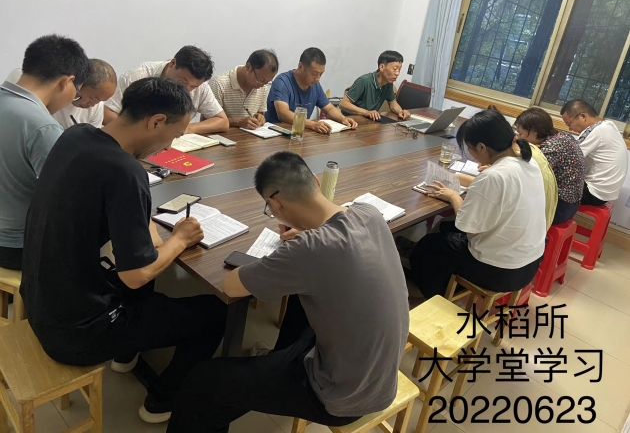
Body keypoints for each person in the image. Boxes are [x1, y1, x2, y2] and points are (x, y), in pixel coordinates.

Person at [21, 77, 227, 424]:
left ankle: (127, 353)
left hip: (39, 300)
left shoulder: (75, 136)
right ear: (156, 121)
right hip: (74, 334)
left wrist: (146, 223)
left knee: (143, 268)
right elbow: (136, 275)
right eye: (174, 135)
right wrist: (179, 238)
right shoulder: (126, 171)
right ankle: (162, 400)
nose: (168, 146)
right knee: (213, 312)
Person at [167, 151, 409, 433]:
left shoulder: (309, 249)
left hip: (340, 396)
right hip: (379, 377)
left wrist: (294, 251)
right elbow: (334, 238)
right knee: (301, 297)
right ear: (315, 181)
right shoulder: (368, 213)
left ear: (275, 204)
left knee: (204, 381)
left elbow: (230, 285)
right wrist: (305, 237)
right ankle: (274, 364)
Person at [408, 109, 546, 298]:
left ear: (481, 147)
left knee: (428, 246)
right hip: (530, 262)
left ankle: (434, 294)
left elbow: (468, 228)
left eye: (469, 148)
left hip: (501, 271)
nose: (471, 155)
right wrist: (458, 179)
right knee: (445, 230)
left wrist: (453, 196)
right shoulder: (528, 163)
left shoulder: (493, 176)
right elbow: (501, 190)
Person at [0, 34, 90, 270]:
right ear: (66, 82)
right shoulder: (42, 126)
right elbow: (65, 200)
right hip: (16, 247)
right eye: (77, 93)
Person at [104, 46, 229, 134]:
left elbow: (222, 121)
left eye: (193, 86)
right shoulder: (137, 76)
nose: (186, 89)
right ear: (172, 63)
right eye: (182, 81)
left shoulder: (200, 86)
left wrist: (186, 129)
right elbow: (107, 113)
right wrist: (140, 133)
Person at [515, 107, 585, 224]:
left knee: (511, 204)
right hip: (569, 203)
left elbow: (528, 173)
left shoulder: (552, 148)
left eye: (521, 133)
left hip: (560, 207)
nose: (519, 137)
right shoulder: (561, 137)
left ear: (534, 132)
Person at [265, 47, 357, 134]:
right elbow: (283, 113)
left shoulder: (315, 85)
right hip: (277, 133)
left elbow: (329, 108)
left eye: (321, 74)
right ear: (300, 66)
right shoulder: (282, 82)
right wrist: (312, 124)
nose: (318, 78)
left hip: (301, 134)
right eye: (314, 73)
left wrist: (343, 118)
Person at [6, 59, 117, 129]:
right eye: (92, 97)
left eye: (100, 101)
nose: (93, 104)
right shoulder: (51, 90)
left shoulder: (96, 108)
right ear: (80, 83)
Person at [561, 99, 628, 206]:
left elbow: (569, 158)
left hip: (593, 193)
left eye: (569, 124)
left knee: (548, 183)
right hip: (605, 193)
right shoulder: (608, 126)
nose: (570, 129)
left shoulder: (596, 131)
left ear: (582, 116)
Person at [209, 49, 278, 130]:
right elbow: (208, 121)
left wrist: (260, 117)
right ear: (248, 67)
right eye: (260, 80)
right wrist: (237, 122)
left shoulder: (262, 86)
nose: (262, 85)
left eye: (267, 82)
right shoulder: (219, 84)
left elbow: (259, 113)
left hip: (249, 135)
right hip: (223, 135)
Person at [339, 50, 410, 120]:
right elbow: (343, 104)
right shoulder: (364, 81)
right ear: (382, 67)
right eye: (395, 69)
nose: (397, 73)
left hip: (368, 120)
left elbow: (392, 103)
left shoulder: (388, 83)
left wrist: (400, 111)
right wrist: (366, 112)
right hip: (350, 120)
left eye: (399, 69)